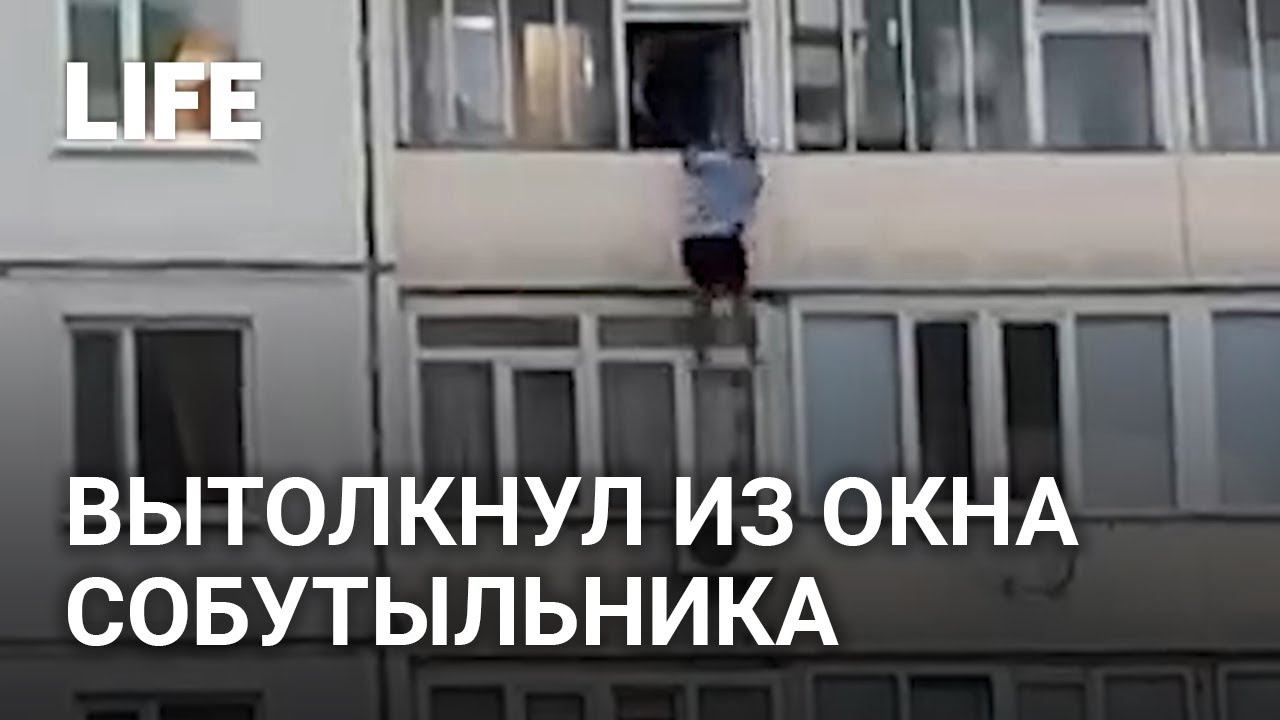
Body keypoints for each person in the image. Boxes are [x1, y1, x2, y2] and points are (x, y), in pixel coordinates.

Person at [680, 144, 763, 362]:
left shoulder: (713, 163)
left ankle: (700, 351)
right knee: (740, 297)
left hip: (695, 237)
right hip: (725, 237)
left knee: (702, 297)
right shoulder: (749, 175)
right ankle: (751, 352)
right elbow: (752, 196)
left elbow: (689, 161)